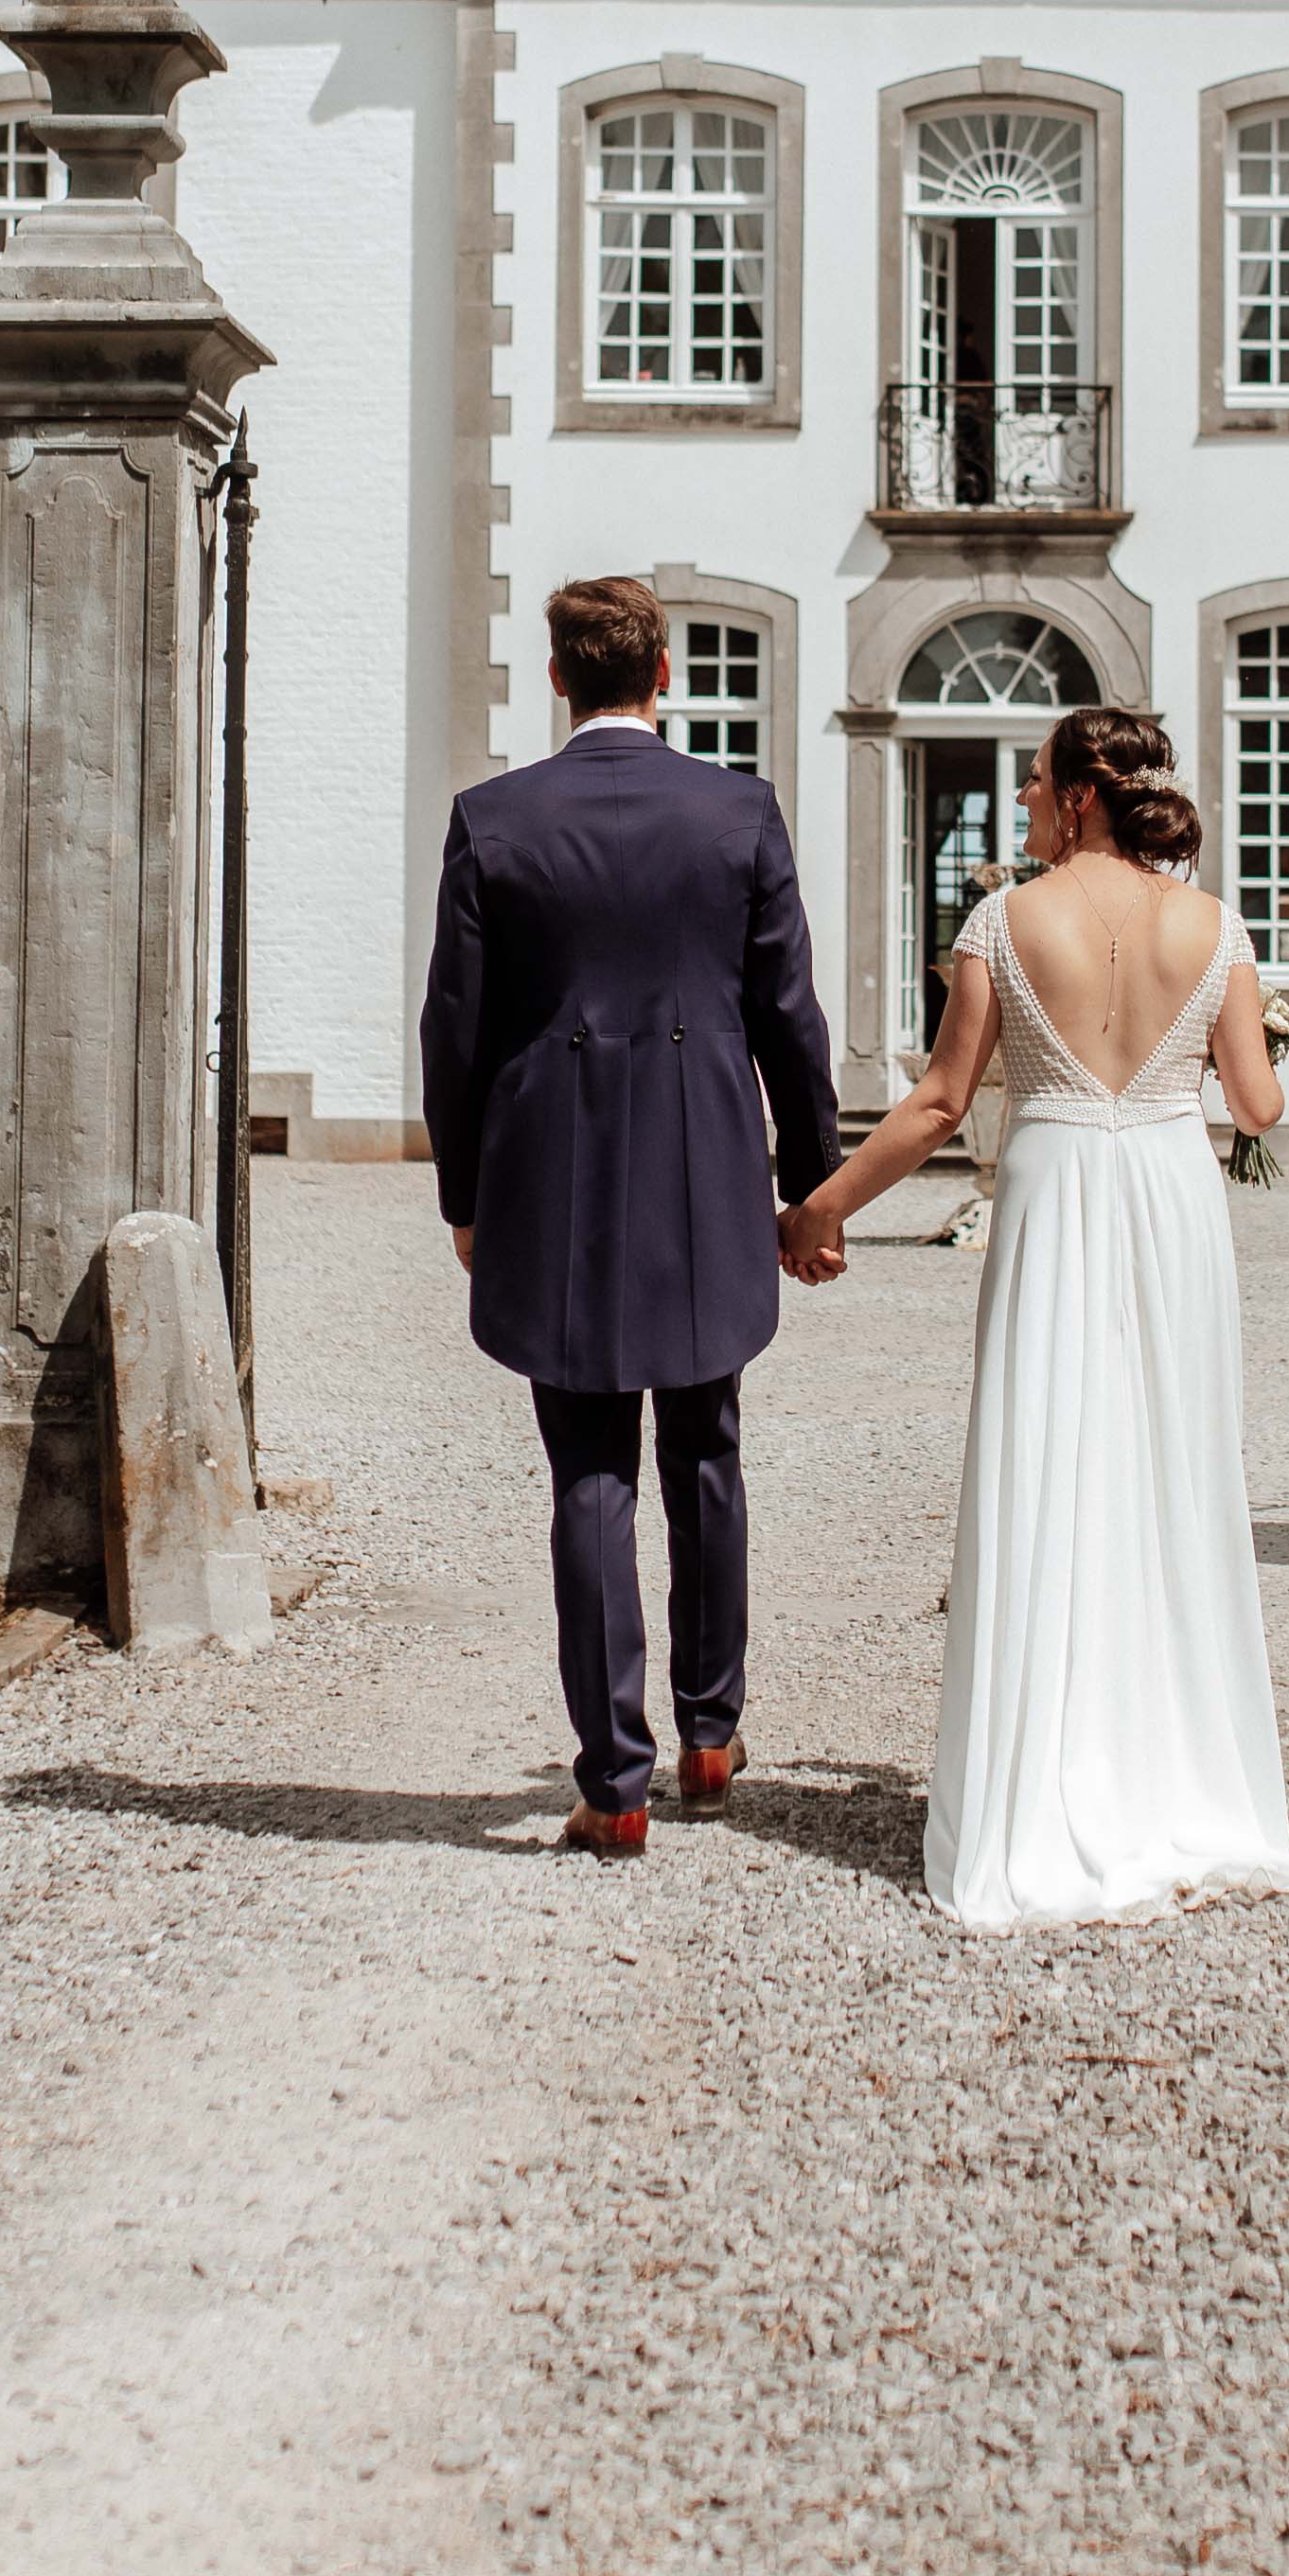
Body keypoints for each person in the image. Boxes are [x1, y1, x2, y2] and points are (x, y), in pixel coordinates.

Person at [783, 703, 1289, 1931]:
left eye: (1035, 786)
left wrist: (820, 1207)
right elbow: (1254, 1109)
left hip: (1052, 1194)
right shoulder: (1214, 925)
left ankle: (1038, 1785)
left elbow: (939, 1104)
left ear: (1081, 796)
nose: (1025, 805)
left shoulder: (1004, 918)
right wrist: (1215, 1040)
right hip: (1169, 1199)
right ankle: (1181, 1776)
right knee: (1172, 1473)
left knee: (1048, 1465)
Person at [421, 573, 842, 1857]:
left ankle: (614, 1784)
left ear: (559, 678)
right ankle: (710, 1729)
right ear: (664, 675)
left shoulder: (494, 818)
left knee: (589, 1466)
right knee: (706, 1445)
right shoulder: (738, 811)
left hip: (550, 1169)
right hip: (705, 1161)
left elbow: (455, 1030)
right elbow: (789, 1014)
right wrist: (809, 1182)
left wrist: (466, 1193)